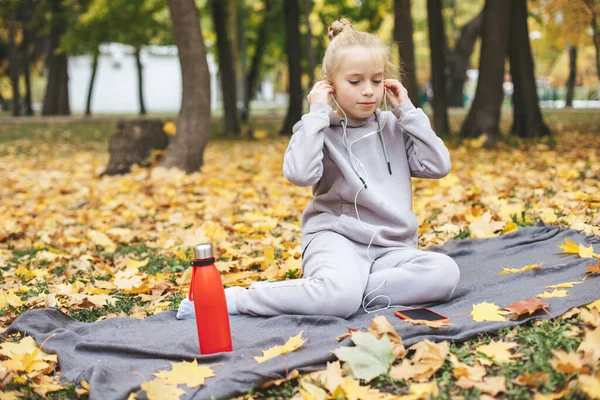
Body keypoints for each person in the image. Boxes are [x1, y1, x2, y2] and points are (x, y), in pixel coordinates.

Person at [178, 19, 459, 320]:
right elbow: (299, 174)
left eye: (376, 81)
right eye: (355, 82)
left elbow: (438, 165)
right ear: (330, 84)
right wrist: (316, 114)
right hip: (337, 241)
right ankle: (242, 299)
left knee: (445, 273)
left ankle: (342, 292)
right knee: (339, 295)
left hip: (391, 248)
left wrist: (408, 111)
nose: (368, 91)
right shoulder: (318, 128)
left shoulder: (395, 125)